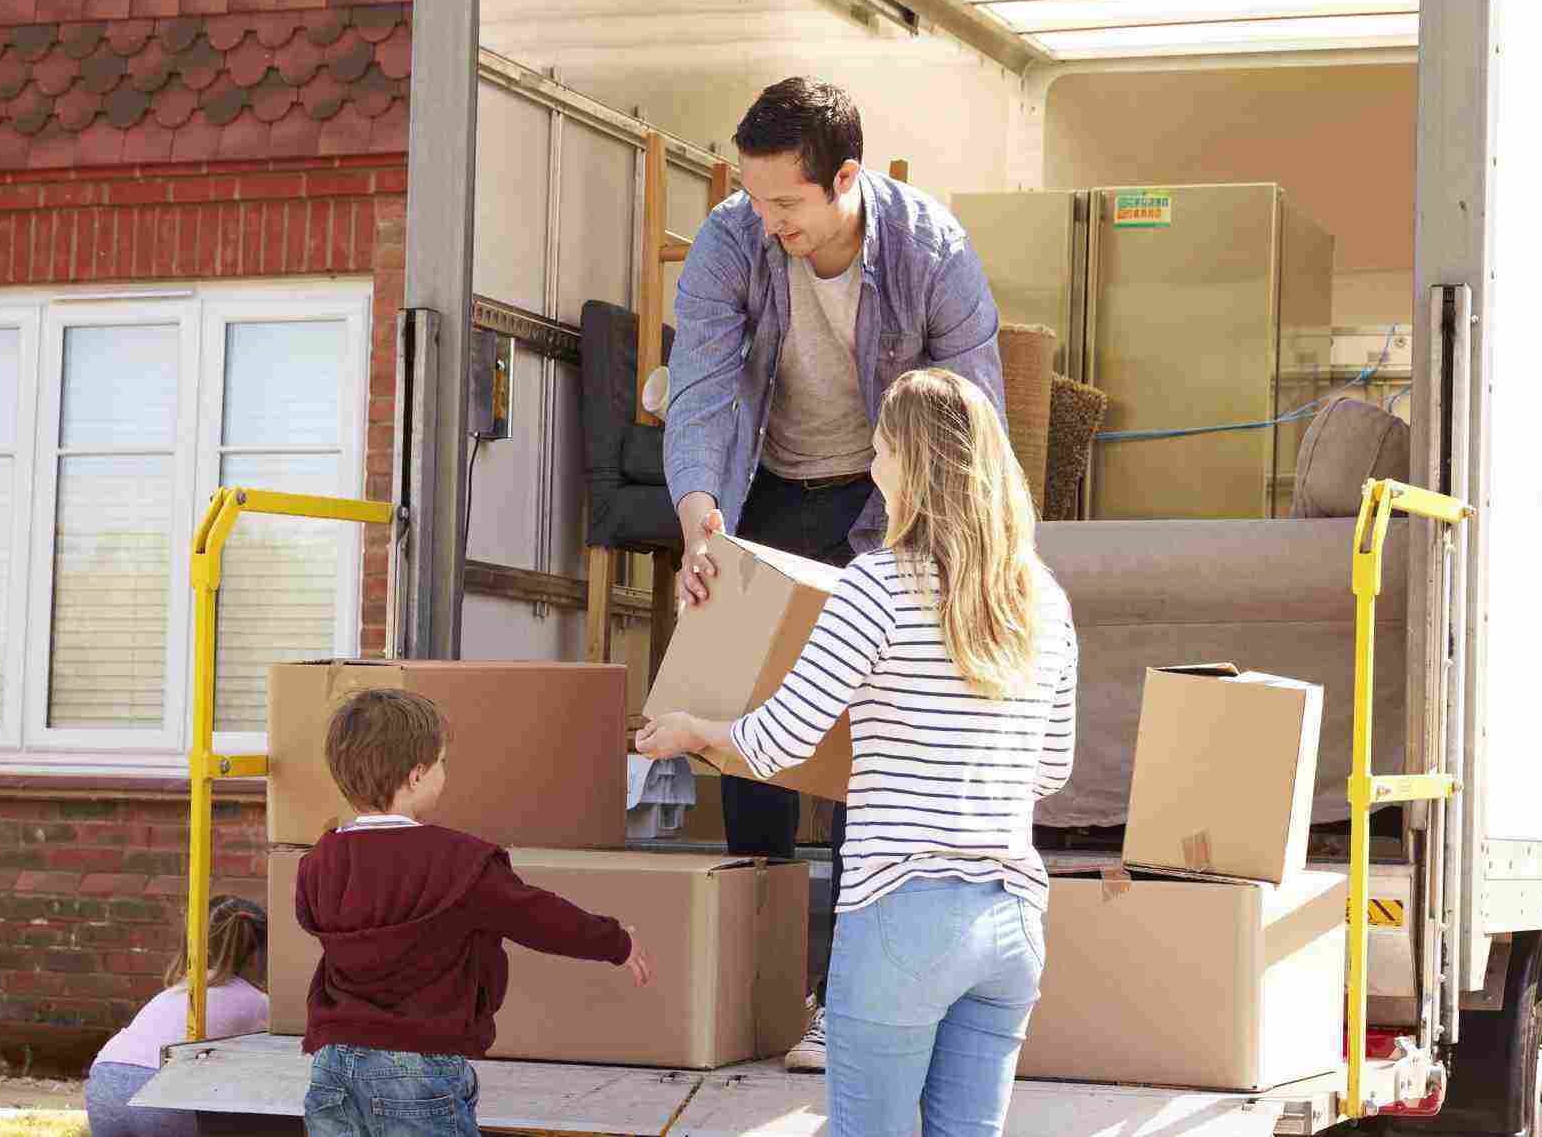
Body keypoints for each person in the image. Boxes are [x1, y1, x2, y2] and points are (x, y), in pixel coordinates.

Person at [664, 76, 1008, 1070]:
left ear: (845, 179)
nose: (766, 222)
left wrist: (940, 553)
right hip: (763, 490)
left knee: (872, 745)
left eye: (786, 204)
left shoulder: (928, 249)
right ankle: (758, 990)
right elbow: (701, 382)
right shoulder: (734, 238)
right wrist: (699, 515)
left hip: (885, 502)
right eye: (754, 198)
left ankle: (850, 1004)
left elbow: (969, 409)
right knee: (748, 732)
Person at [639, 368, 1078, 1137]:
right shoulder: (1041, 598)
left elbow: (779, 741)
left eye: (880, 451)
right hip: (1012, 923)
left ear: (911, 465)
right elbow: (1053, 768)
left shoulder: (876, 587)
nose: (874, 469)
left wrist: (692, 733)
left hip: (901, 910)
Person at [295, 688, 655, 1137]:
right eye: (442, 761)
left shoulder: (317, 862)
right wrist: (615, 942)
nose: (445, 771)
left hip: (331, 1064)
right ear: (416, 775)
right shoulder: (459, 863)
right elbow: (538, 917)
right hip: (417, 1069)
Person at [87, 894, 272, 1137]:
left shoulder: (180, 990)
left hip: (105, 1078)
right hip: (162, 1090)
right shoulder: (257, 1002)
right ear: (258, 954)